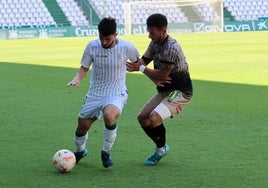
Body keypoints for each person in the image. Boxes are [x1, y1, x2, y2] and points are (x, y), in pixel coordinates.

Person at [66, 17, 139, 168]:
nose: (104, 42)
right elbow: (84, 68)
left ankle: (105, 152)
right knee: (81, 128)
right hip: (95, 92)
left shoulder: (127, 47)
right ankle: (80, 151)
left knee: (109, 115)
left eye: (107, 39)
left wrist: (147, 71)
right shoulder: (92, 46)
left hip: (116, 92)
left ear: (116, 35)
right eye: (101, 38)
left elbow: (140, 62)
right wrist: (77, 79)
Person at [126, 13, 193, 166]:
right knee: (142, 117)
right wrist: (129, 65)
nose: (149, 36)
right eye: (149, 31)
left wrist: (141, 68)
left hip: (180, 91)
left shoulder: (171, 48)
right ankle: (161, 146)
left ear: (163, 31)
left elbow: (162, 74)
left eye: (152, 33)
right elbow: (144, 61)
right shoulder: (155, 43)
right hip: (165, 90)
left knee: (155, 117)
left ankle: (161, 150)